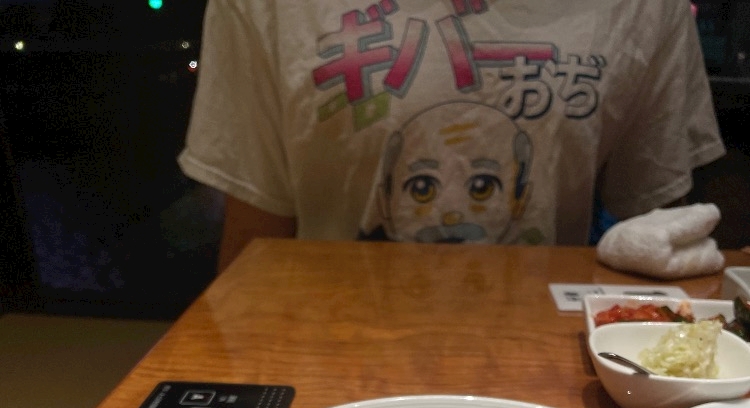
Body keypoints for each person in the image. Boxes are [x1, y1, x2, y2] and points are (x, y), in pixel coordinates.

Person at [178, 0, 726, 271]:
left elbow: (657, 237)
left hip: (549, 357)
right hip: (326, 345)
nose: (451, 209)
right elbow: (255, 239)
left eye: (485, 185)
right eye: (419, 187)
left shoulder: (647, 9)